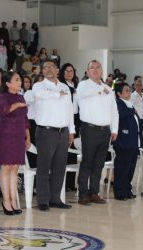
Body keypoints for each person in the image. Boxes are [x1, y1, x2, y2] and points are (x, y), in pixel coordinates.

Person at [32, 59, 75, 212]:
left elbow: (70, 110)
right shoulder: (38, 86)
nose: (49, 69)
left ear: (58, 70)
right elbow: (41, 95)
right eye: (45, 67)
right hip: (46, 131)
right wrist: (58, 94)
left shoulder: (65, 87)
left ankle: (55, 198)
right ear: (42, 71)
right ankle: (43, 200)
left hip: (63, 132)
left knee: (59, 167)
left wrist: (72, 130)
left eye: (52, 67)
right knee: (44, 167)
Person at [76, 60, 119, 206]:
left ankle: (94, 192)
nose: (95, 70)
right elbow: (84, 95)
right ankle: (83, 194)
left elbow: (114, 111)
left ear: (102, 71)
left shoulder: (108, 88)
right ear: (87, 72)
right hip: (89, 129)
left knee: (99, 163)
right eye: (92, 68)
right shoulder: (83, 85)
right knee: (87, 162)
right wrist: (99, 90)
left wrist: (114, 129)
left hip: (105, 130)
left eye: (98, 67)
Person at [0, 71, 30, 215]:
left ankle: (14, 200)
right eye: (16, 80)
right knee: (6, 167)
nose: (19, 82)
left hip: (19, 136)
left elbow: (25, 119)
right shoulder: (2, 97)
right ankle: (6, 201)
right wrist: (16, 105)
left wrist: (27, 137)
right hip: (7, 135)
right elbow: (3, 112)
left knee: (15, 168)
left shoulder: (21, 96)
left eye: (20, 80)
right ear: (8, 83)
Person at [112, 82, 140, 200]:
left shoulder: (130, 104)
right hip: (123, 141)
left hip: (133, 141)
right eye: (126, 90)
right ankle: (120, 192)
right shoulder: (118, 104)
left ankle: (127, 190)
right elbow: (120, 115)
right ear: (119, 93)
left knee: (130, 167)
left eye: (129, 90)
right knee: (122, 168)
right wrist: (132, 112)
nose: (129, 92)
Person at [58, 63, 79, 191]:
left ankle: (71, 183)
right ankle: (63, 183)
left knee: (73, 153)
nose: (69, 73)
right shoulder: (62, 86)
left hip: (76, 119)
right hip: (66, 119)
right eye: (66, 71)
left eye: (71, 71)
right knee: (65, 151)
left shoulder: (76, 85)